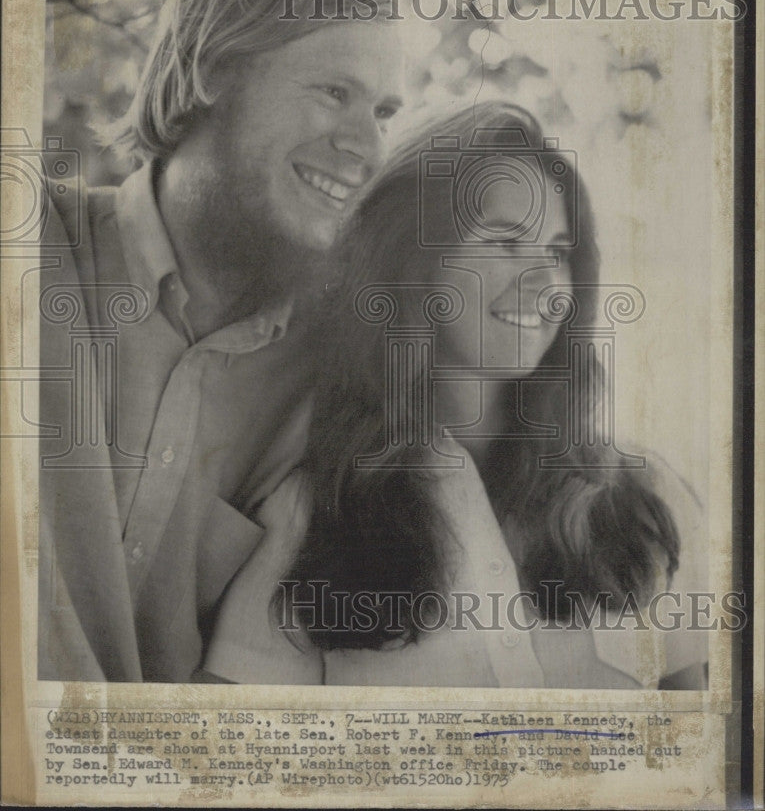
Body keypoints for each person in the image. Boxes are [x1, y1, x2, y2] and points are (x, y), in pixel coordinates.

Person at [201, 101, 708, 688]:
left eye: (557, 252)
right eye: (503, 243)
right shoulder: (312, 519)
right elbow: (234, 761)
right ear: (414, 264)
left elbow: (699, 755)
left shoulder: (647, 499)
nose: (547, 285)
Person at [38, 0, 406, 682]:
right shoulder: (28, 249)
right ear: (211, 71)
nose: (368, 146)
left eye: (384, 111)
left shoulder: (333, 388)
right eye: (334, 92)